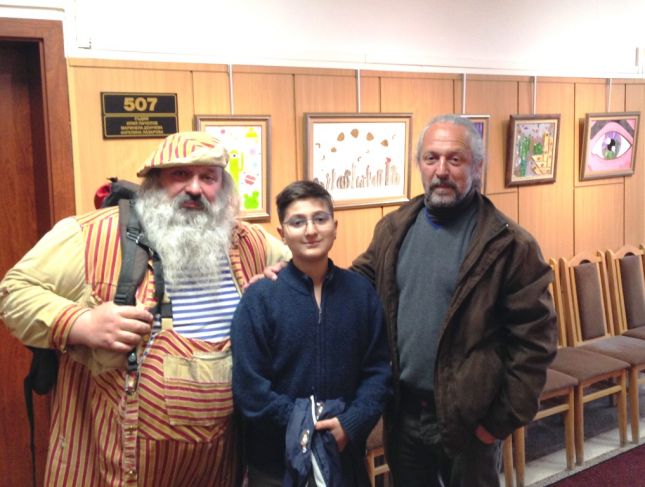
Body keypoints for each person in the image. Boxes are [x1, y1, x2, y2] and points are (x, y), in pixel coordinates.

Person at [0, 131, 290, 486]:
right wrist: (82, 323)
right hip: (111, 465)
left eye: (208, 177)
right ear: (153, 183)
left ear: (223, 187)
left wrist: (285, 284)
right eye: (180, 175)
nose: (195, 188)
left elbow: (309, 278)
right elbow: (14, 291)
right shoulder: (91, 236)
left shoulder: (251, 244)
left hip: (216, 466)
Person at [350, 114, 558, 486]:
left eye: (455, 159)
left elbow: (535, 344)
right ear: (419, 165)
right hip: (403, 416)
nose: (441, 170)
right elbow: (353, 285)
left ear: (476, 167)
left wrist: (496, 424)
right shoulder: (393, 230)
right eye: (431, 158)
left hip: (469, 425)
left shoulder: (510, 245)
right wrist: (293, 275)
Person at [231, 180, 391, 486]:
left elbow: (378, 372)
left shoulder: (361, 293)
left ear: (335, 226)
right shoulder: (260, 299)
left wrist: (351, 422)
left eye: (320, 219)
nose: (311, 230)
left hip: (344, 456)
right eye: (297, 222)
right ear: (282, 233)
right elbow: (249, 388)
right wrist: (305, 426)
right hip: (276, 465)